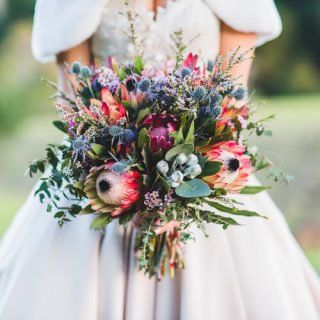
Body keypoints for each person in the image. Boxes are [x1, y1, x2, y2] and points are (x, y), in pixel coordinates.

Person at [0, 0, 319, 319]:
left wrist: (184, 192)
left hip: (203, 170)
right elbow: (75, 103)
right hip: (105, 173)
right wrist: (124, 185)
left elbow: (231, 100)